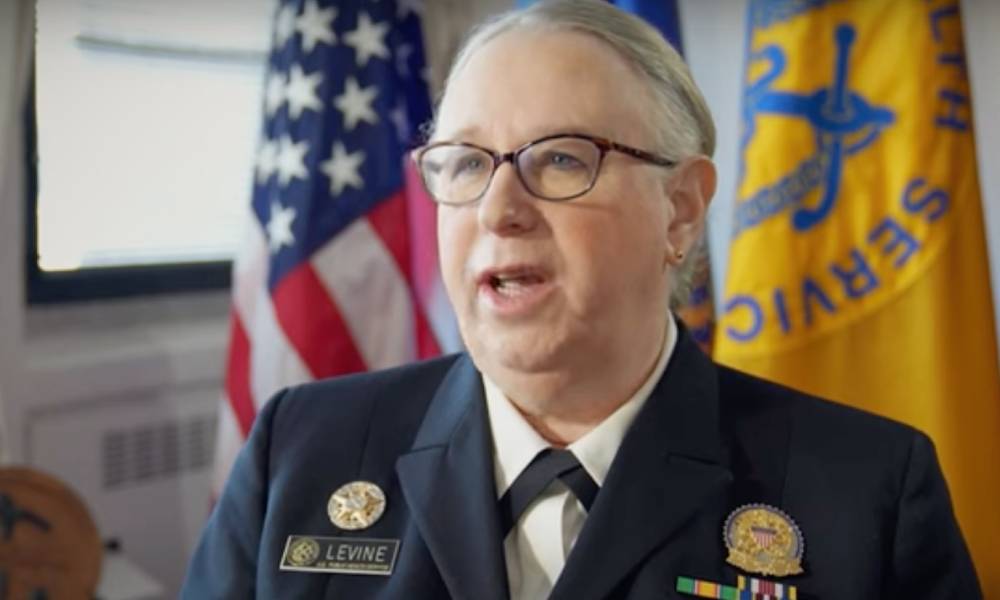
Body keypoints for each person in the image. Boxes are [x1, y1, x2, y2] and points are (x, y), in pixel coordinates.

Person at [181, 1, 981, 598]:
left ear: (681, 210)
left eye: (561, 160)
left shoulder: (869, 491)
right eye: (464, 164)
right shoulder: (300, 450)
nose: (499, 208)